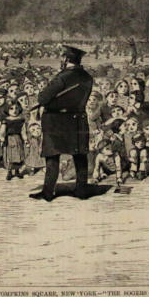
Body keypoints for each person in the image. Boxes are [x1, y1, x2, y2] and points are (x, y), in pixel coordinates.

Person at [30, 45, 93, 202]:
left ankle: (48, 192)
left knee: (52, 156)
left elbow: (43, 99)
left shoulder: (62, 77)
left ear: (65, 59)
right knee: (80, 155)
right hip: (78, 119)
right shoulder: (87, 77)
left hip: (56, 121)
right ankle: (81, 191)